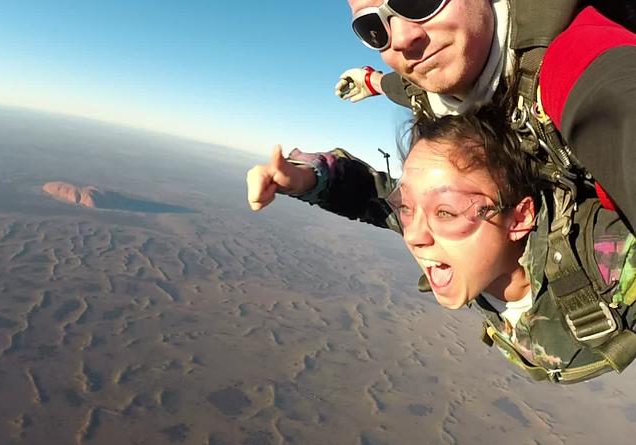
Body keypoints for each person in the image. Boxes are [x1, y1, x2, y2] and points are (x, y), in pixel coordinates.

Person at [247, 104, 636, 383]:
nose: (415, 235)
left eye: (445, 212)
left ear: (519, 218)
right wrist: (305, 177)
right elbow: (368, 192)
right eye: (407, 208)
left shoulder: (605, 255)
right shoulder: (452, 237)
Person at [332, 0, 636, 230]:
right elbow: (409, 87)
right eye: (373, 28)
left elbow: (615, 94)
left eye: (417, 1)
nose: (400, 39)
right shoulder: (437, 77)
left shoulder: (577, 60)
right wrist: (371, 81)